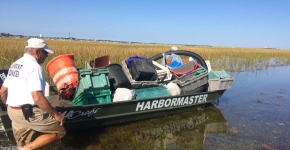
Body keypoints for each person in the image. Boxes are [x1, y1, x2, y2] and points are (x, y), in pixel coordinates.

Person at [0, 38, 66, 150]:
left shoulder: (16, 64)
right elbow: (37, 98)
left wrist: (9, 106)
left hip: (13, 110)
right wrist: (56, 115)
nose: (46, 56)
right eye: (45, 53)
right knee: (60, 132)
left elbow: (3, 91)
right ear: (37, 51)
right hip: (28, 112)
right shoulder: (35, 67)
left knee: (22, 144)